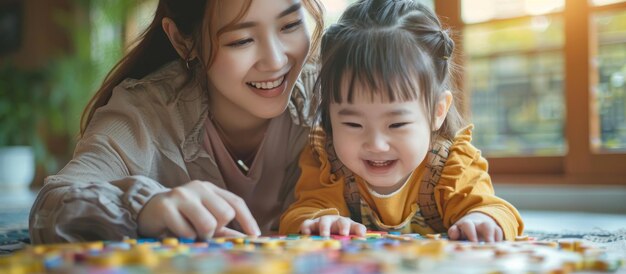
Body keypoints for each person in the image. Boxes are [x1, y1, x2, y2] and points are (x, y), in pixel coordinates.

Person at [29, 0, 324, 243]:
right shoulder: (146, 113)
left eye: (290, 25)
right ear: (183, 41)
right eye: (242, 40)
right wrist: (143, 206)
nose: (275, 61)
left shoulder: (333, 94)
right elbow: (51, 206)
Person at [279, 0, 524, 242]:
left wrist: (481, 218)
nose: (376, 144)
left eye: (396, 124)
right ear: (329, 115)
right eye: (353, 124)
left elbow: (496, 210)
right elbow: (301, 212)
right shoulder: (327, 162)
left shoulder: (452, 165)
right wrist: (320, 220)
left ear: (438, 112)